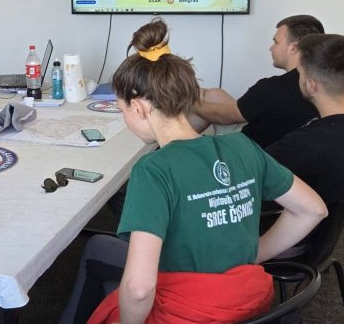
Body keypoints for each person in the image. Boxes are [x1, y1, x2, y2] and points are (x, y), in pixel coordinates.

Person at [59, 26, 327, 324]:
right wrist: (252, 254)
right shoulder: (243, 146)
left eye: (122, 109)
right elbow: (313, 209)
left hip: (187, 311)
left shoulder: (153, 170)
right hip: (248, 302)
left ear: (138, 107)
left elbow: (139, 289)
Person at [264, 34, 344, 250]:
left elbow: (245, 174)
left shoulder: (306, 144)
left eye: (299, 74)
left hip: (282, 239)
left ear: (311, 85)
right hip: (317, 240)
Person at [194, 15, 325, 148]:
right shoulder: (326, 83)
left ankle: (182, 146)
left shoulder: (272, 88)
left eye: (276, 42)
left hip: (249, 150)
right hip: (289, 144)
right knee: (214, 95)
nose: (271, 48)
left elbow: (223, 116)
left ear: (293, 47)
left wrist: (189, 102)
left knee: (199, 98)